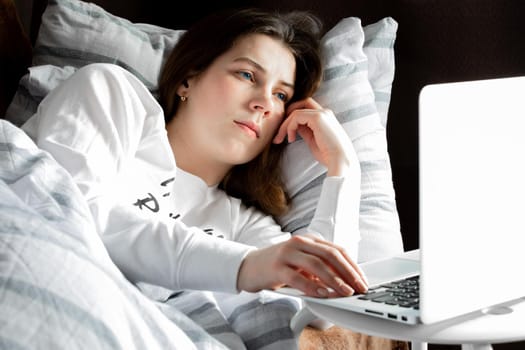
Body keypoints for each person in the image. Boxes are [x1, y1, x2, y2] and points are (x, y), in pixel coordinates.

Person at [22, 5, 366, 328]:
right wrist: (244, 267)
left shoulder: (242, 225)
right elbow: (67, 215)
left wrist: (344, 169)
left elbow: (323, 303)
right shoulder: (113, 95)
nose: (263, 102)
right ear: (188, 78)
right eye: (247, 74)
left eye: (280, 96)